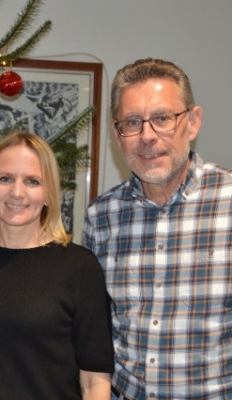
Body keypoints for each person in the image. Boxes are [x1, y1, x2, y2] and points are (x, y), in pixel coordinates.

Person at [83, 58, 232, 400]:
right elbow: (95, 332)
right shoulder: (101, 217)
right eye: (133, 122)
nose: (147, 136)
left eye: (163, 118)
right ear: (117, 134)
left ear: (192, 122)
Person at [0, 132, 114, 399]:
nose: (17, 192)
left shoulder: (79, 267)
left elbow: (94, 380)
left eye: (32, 181)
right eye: (5, 178)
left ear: (48, 194)